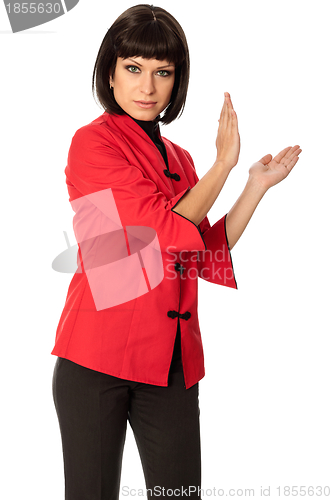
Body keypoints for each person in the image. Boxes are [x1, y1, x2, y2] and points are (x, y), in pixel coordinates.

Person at [51, 4, 302, 500]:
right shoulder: (92, 144)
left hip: (170, 361)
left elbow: (204, 253)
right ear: (110, 72)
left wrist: (253, 185)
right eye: (133, 69)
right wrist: (223, 166)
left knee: (179, 495)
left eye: (162, 72)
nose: (147, 87)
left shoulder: (181, 160)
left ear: (176, 81)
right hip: (95, 358)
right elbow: (161, 231)